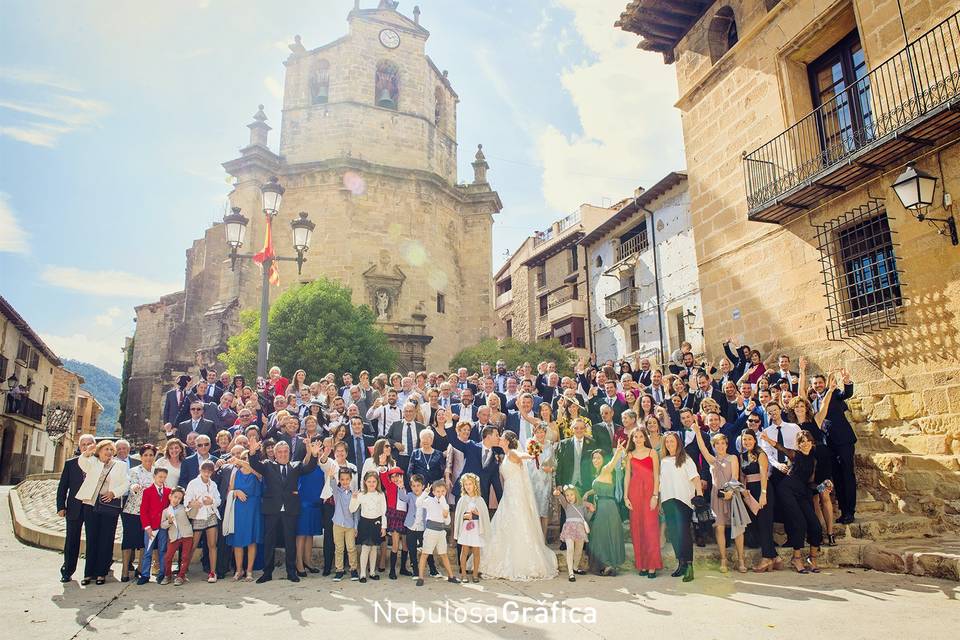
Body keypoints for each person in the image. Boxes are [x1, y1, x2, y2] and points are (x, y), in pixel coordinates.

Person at [479, 431, 558, 581]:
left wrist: (533, 452)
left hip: (516, 494)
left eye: (502, 438)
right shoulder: (505, 455)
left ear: (508, 441)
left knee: (518, 522)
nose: (500, 439)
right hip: (509, 494)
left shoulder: (513, 453)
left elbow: (525, 456)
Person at [243, 437, 322, 583]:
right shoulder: (267, 465)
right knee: (269, 541)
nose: (283, 454)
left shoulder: (296, 466)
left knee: (290, 541)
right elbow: (254, 464)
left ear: (289, 452)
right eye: (279, 452)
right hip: (272, 508)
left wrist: (314, 454)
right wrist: (252, 451)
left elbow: (309, 468)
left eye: (285, 451)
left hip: (290, 509)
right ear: (275, 453)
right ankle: (267, 573)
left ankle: (291, 572)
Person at [761, 429, 823, 573]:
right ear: (799, 444)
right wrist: (766, 439)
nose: (806, 444)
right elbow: (780, 448)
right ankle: (797, 558)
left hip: (803, 493)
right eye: (802, 442)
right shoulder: (796, 455)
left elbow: (810, 482)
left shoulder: (814, 460)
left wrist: (822, 487)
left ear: (812, 442)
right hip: (787, 490)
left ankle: (812, 558)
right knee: (799, 522)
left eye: (808, 441)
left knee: (815, 525)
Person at [77, 440, 130, 585]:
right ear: (99, 451)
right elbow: (82, 463)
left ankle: (101, 573)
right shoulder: (92, 462)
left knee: (106, 539)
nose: (108, 452)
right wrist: (86, 453)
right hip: (91, 504)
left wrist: (114, 493)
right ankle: (89, 573)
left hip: (108, 505)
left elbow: (126, 483)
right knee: (92, 538)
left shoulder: (120, 465)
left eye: (110, 450)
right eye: (105, 449)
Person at [693, 428, 745, 573]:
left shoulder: (733, 458)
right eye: (717, 444)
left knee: (738, 528)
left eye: (723, 443)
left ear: (727, 445)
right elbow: (702, 448)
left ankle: (741, 560)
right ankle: (723, 560)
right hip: (717, 496)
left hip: (732, 494)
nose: (720, 446)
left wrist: (730, 491)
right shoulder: (712, 460)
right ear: (714, 446)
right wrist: (697, 432)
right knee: (719, 528)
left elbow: (735, 477)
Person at [660, 431, 701, 582]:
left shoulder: (686, 459)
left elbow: (696, 478)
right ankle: (681, 563)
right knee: (674, 534)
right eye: (667, 442)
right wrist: (659, 501)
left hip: (683, 500)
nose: (670, 444)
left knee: (684, 533)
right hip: (667, 500)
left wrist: (700, 495)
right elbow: (661, 483)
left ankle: (689, 566)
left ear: (677, 442)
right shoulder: (663, 460)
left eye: (672, 441)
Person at [56, 433, 96, 582]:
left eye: (89, 444)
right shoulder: (71, 464)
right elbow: (63, 487)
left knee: (93, 540)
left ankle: (90, 572)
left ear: (94, 445)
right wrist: (61, 506)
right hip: (74, 508)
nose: (86, 447)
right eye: (83, 445)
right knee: (72, 540)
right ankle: (67, 570)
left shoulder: (99, 463)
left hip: (92, 508)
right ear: (80, 447)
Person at [738, 429, 779, 572]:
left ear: (754, 440)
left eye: (749, 439)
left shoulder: (761, 454)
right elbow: (742, 476)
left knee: (764, 524)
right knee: (757, 524)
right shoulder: (742, 456)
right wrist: (744, 492)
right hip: (749, 493)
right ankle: (775, 557)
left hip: (763, 489)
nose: (747, 442)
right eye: (744, 440)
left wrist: (763, 494)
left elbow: (763, 475)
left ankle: (766, 558)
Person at [583, 444, 627, 576]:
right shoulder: (599, 473)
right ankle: (607, 565)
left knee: (602, 536)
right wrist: (588, 493)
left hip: (606, 507)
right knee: (602, 536)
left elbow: (612, 464)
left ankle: (608, 564)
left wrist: (618, 452)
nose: (595, 460)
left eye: (598, 458)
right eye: (594, 458)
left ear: (603, 459)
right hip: (604, 505)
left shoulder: (605, 470)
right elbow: (600, 487)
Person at [436, 422, 503, 506]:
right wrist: (449, 423)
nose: (499, 438)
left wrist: (502, 505)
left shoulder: (495, 458)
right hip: (463, 493)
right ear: (488, 436)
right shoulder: (472, 446)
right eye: (497, 435)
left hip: (481, 498)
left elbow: (497, 484)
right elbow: (454, 442)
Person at [624, 428, 661, 578]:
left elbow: (657, 476)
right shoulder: (630, 455)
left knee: (650, 528)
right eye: (635, 437)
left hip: (649, 492)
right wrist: (626, 497)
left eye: (641, 436)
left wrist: (655, 496)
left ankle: (652, 565)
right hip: (634, 493)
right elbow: (627, 476)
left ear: (645, 438)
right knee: (637, 528)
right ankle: (642, 565)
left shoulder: (652, 453)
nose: (638, 439)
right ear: (632, 439)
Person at [120, 443, 159, 582]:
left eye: (151, 455)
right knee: (129, 540)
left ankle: (141, 568)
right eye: (145, 455)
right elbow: (133, 486)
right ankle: (125, 570)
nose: (148, 458)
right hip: (133, 511)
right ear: (141, 457)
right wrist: (135, 487)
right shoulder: (134, 471)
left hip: (149, 513)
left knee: (145, 542)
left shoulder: (157, 472)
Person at [225, 450, 263, 582]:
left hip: (253, 509)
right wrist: (236, 491)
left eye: (247, 458)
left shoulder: (257, 473)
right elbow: (229, 491)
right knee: (238, 541)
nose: (245, 460)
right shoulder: (235, 473)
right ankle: (238, 570)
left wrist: (238, 461)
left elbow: (258, 474)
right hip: (239, 510)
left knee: (252, 541)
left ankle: (249, 571)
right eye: (243, 458)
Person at [416, 480, 460, 586]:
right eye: (438, 491)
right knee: (425, 553)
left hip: (441, 532)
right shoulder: (430, 500)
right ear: (434, 492)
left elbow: (448, 522)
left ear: (446, 492)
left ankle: (451, 576)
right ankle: (420, 577)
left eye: (443, 491)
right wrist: (425, 493)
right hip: (430, 531)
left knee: (443, 554)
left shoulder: (445, 504)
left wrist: (445, 515)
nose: (440, 493)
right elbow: (418, 503)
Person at [185, 460, 222, 583]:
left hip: (211, 515)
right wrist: (193, 504)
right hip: (198, 516)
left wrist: (211, 502)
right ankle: (183, 571)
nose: (206, 473)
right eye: (204, 471)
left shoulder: (213, 484)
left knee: (212, 545)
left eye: (209, 471)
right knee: (193, 545)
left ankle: (212, 572)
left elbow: (218, 500)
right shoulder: (193, 483)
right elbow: (186, 500)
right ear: (200, 470)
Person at [295, 438, 327, 577]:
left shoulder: (322, 464)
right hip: (304, 504)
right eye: (314, 447)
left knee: (310, 535)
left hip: (315, 504)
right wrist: (310, 449)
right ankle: (299, 563)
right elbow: (308, 459)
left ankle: (307, 561)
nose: (317, 451)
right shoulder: (306, 462)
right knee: (301, 534)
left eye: (319, 448)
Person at [453, 473, 491, 583]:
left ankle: (475, 574)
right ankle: (463, 574)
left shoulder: (480, 500)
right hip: (466, 528)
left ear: (475, 485)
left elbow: (484, 516)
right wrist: (465, 516)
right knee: (464, 551)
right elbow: (459, 516)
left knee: (476, 552)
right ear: (463, 486)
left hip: (477, 529)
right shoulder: (462, 500)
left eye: (470, 484)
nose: (468, 486)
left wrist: (477, 513)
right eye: (466, 484)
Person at [351, 470, 387, 583]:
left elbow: (383, 512)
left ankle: (372, 572)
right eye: (369, 481)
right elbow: (352, 509)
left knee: (374, 549)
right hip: (365, 524)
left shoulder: (380, 495)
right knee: (366, 548)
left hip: (376, 523)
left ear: (377, 482)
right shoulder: (361, 495)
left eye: (374, 481)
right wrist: (354, 498)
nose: (371, 484)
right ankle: (362, 573)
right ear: (365, 482)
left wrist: (384, 527)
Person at [137, 466, 170, 585]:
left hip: (163, 526)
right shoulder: (147, 491)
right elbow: (144, 510)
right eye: (160, 476)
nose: (162, 479)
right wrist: (147, 527)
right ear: (154, 476)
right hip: (151, 526)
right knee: (148, 551)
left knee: (162, 549)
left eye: (164, 477)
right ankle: (145, 574)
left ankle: (162, 573)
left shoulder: (168, 491)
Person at [401, 474, 437, 579]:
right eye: (413, 486)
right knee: (412, 549)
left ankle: (433, 569)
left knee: (427, 549)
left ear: (423, 486)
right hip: (411, 527)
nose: (416, 488)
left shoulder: (428, 497)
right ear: (411, 487)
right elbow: (402, 498)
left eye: (418, 485)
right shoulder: (410, 495)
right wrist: (401, 487)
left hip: (423, 528)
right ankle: (415, 571)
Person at [525, 423, 556, 536]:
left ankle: (543, 536)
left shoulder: (550, 445)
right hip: (533, 479)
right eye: (537, 432)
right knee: (534, 509)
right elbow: (528, 461)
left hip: (545, 481)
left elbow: (553, 462)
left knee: (544, 509)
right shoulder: (530, 443)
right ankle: (535, 536)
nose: (539, 434)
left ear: (545, 432)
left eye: (542, 431)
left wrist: (551, 468)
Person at [553, 485, 589, 581]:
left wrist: (591, 511)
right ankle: (571, 573)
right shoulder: (566, 504)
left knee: (578, 550)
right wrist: (557, 493)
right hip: (569, 529)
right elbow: (560, 497)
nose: (569, 497)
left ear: (576, 494)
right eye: (567, 495)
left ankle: (575, 568)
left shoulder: (582, 505)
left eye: (572, 495)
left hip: (580, 530)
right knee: (570, 549)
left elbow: (586, 517)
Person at [330, 468, 360, 582]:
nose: (345, 481)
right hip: (337, 524)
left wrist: (356, 527)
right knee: (339, 548)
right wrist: (332, 477)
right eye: (342, 479)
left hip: (350, 525)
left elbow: (356, 513)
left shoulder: (354, 494)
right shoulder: (337, 492)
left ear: (351, 480)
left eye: (347, 479)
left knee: (351, 548)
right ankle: (339, 570)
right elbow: (332, 485)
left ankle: (353, 569)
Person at [161, 486, 194, 585]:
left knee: (185, 556)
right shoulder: (166, 511)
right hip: (174, 537)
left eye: (179, 498)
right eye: (175, 497)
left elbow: (192, 515)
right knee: (168, 557)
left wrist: (194, 506)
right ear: (170, 496)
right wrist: (169, 522)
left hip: (186, 535)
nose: (177, 500)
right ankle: (168, 575)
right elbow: (162, 525)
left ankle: (181, 576)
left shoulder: (184, 508)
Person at [555, 418, 595, 494]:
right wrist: (559, 483)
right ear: (571, 429)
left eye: (582, 428)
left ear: (585, 429)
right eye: (576, 428)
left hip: (586, 485)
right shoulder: (564, 444)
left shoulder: (592, 443)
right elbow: (559, 465)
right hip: (568, 484)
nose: (579, 430)